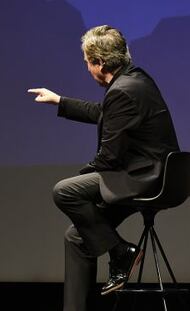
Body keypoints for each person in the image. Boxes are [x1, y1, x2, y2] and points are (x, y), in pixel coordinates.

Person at [28, 25, 179, 311]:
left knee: (65, 191)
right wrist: (60, 101)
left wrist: (83, 180)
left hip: (146, 177)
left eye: (87, 61)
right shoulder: (135, 78)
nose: (86, 68)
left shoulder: (122, 90)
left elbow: (108, 158)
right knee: (76, 236)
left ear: (99, 62)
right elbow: (105, 113)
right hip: (155, 174)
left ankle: (121, 251)